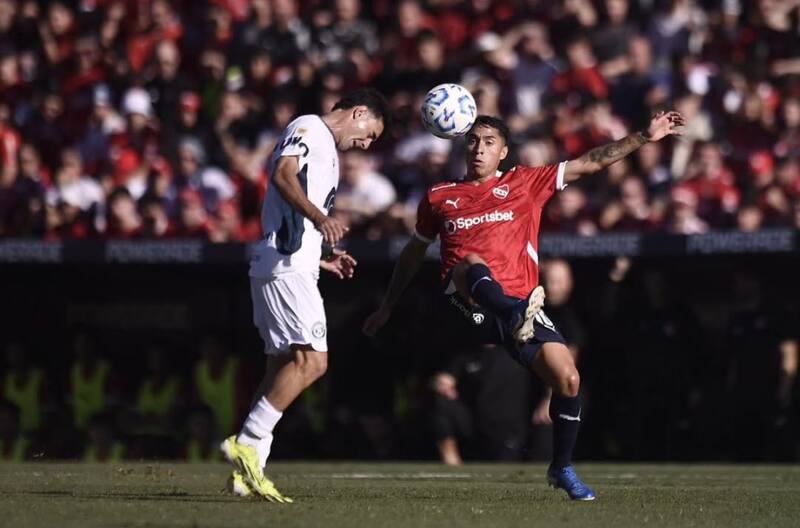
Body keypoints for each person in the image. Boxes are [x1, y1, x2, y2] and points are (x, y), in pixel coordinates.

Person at [363, 111, 683, 500]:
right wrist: (387, 305)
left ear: (503, 153)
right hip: (468, 304)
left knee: (568, 379)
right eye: (474, 141)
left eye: (489, 143)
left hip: (520, 306)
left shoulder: (526, 183)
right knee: (471, 263)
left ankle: (561, 467)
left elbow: (591, 162)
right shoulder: (439, 196)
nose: (479, 149)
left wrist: (644, 136)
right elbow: (412, 254)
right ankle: (512, 314)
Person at [220, 88, 389, 502]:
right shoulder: (310, 126)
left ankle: (247, 472)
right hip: (284, 265)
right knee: (313, 361)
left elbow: (294, 209)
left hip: (290, 262)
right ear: (359, 112)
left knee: (281, 366)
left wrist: (323, 255)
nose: (365, 144)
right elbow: (281, 175)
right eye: (369, 135)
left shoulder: (324, 146)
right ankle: (247, 441)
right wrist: (322, 218)